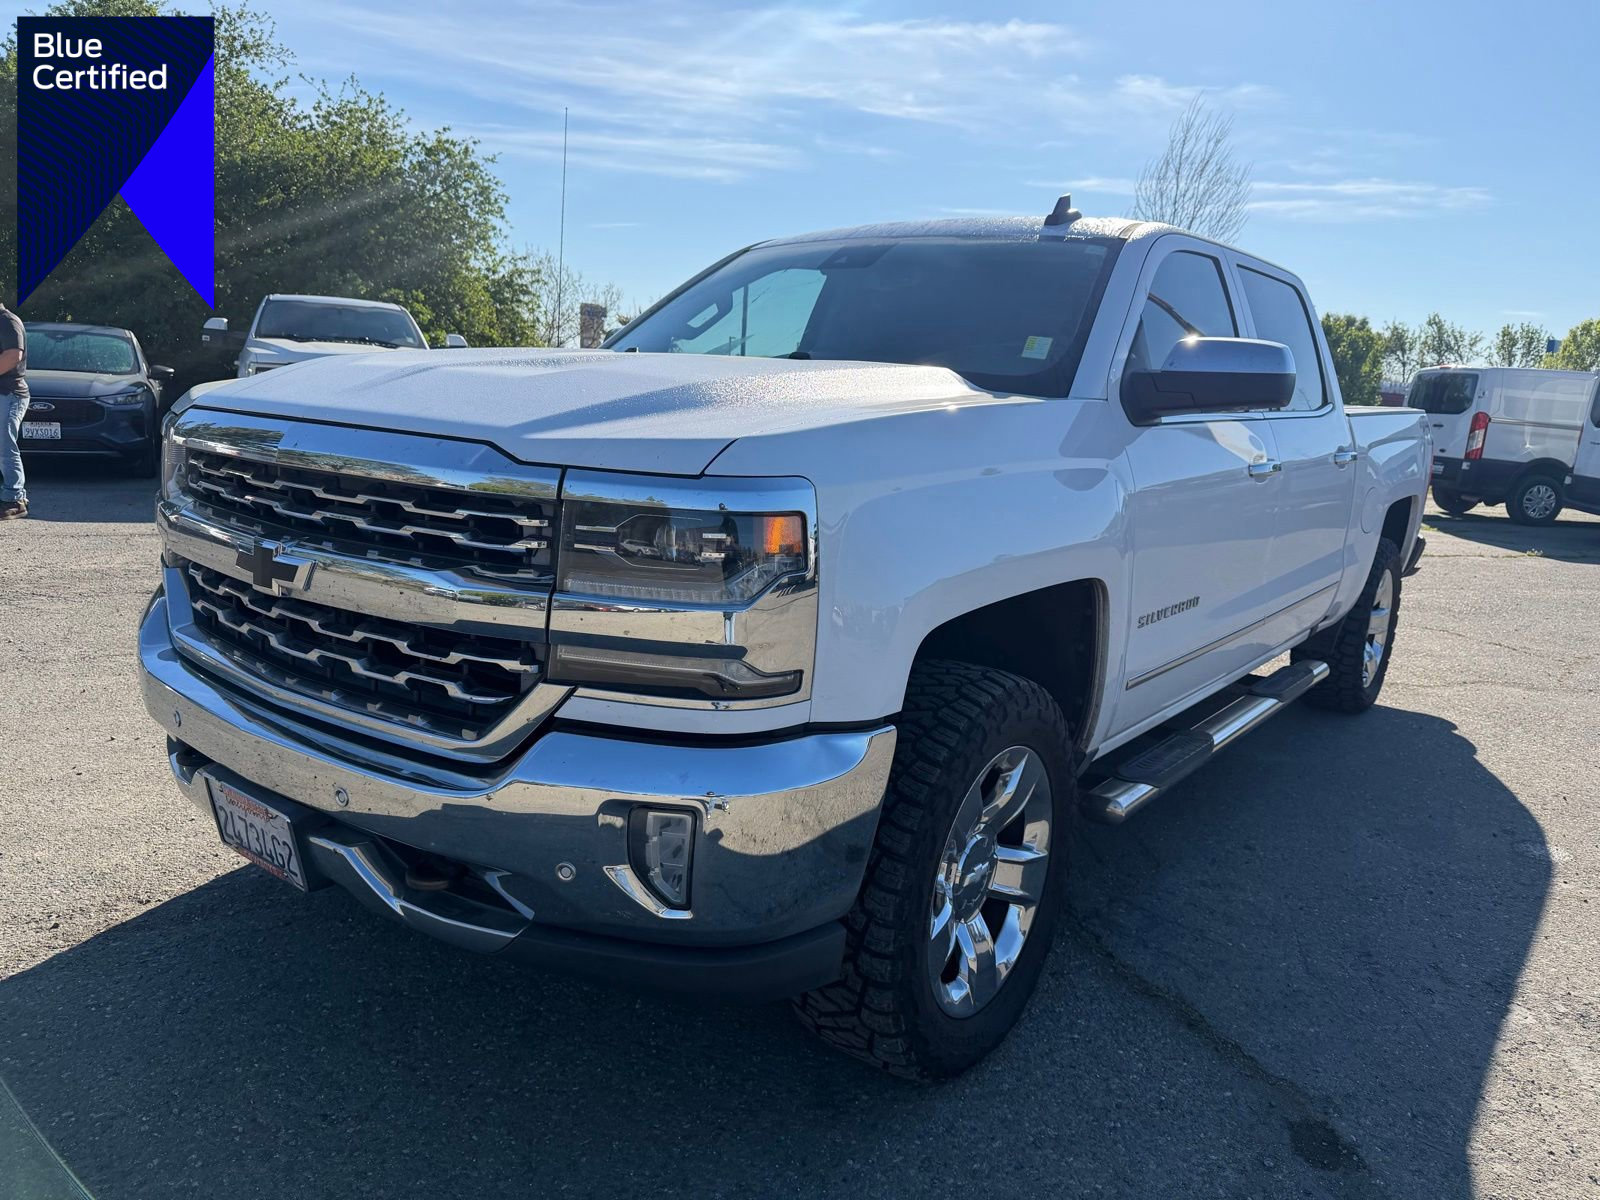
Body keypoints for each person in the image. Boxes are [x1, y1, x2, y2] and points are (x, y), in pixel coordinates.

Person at [0, 300, 27, 520]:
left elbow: (12, 355)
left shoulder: (7, 321)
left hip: (9, 394)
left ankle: (15, 499)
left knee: (4, 445)